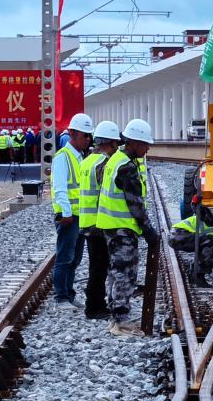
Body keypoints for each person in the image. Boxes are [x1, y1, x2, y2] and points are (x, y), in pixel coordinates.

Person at [96, 118, 158, 337]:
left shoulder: (115, 160)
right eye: (145, 144)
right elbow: (135, 204)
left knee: (114, 272)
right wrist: (148, 230)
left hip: (110, 226)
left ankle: (115, 319)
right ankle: (121, 323)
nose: (148, 148)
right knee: (125, 274)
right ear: (133, 142)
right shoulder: (127, 167)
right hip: (122, 229)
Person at [78, 120, 120, 320]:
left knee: (95, 264)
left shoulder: (86, 161)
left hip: (87, 221)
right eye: (115, 144)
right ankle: (94, 307)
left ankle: (94, 302)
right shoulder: (103, 163)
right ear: (109, 143)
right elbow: (106, 194)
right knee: (99, 266)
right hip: (99, 223)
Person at [51, 113, 94, 307]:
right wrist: (66, 213)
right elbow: (60, 188)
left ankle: (69, 294)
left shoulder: (79, 157)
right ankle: (61, 297)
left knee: (75, 258)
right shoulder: (63, 157)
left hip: (80, 216)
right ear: (72, 133)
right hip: (69, 217)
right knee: (65, 257)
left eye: (89, 136)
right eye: (84, 135)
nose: (88, 140)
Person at [169, 207, 213, 286]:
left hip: (180, 237)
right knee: (210, 243)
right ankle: (197, 276)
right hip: (179, 234)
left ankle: (194, 276)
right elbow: (205, 211)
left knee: (208, 245)